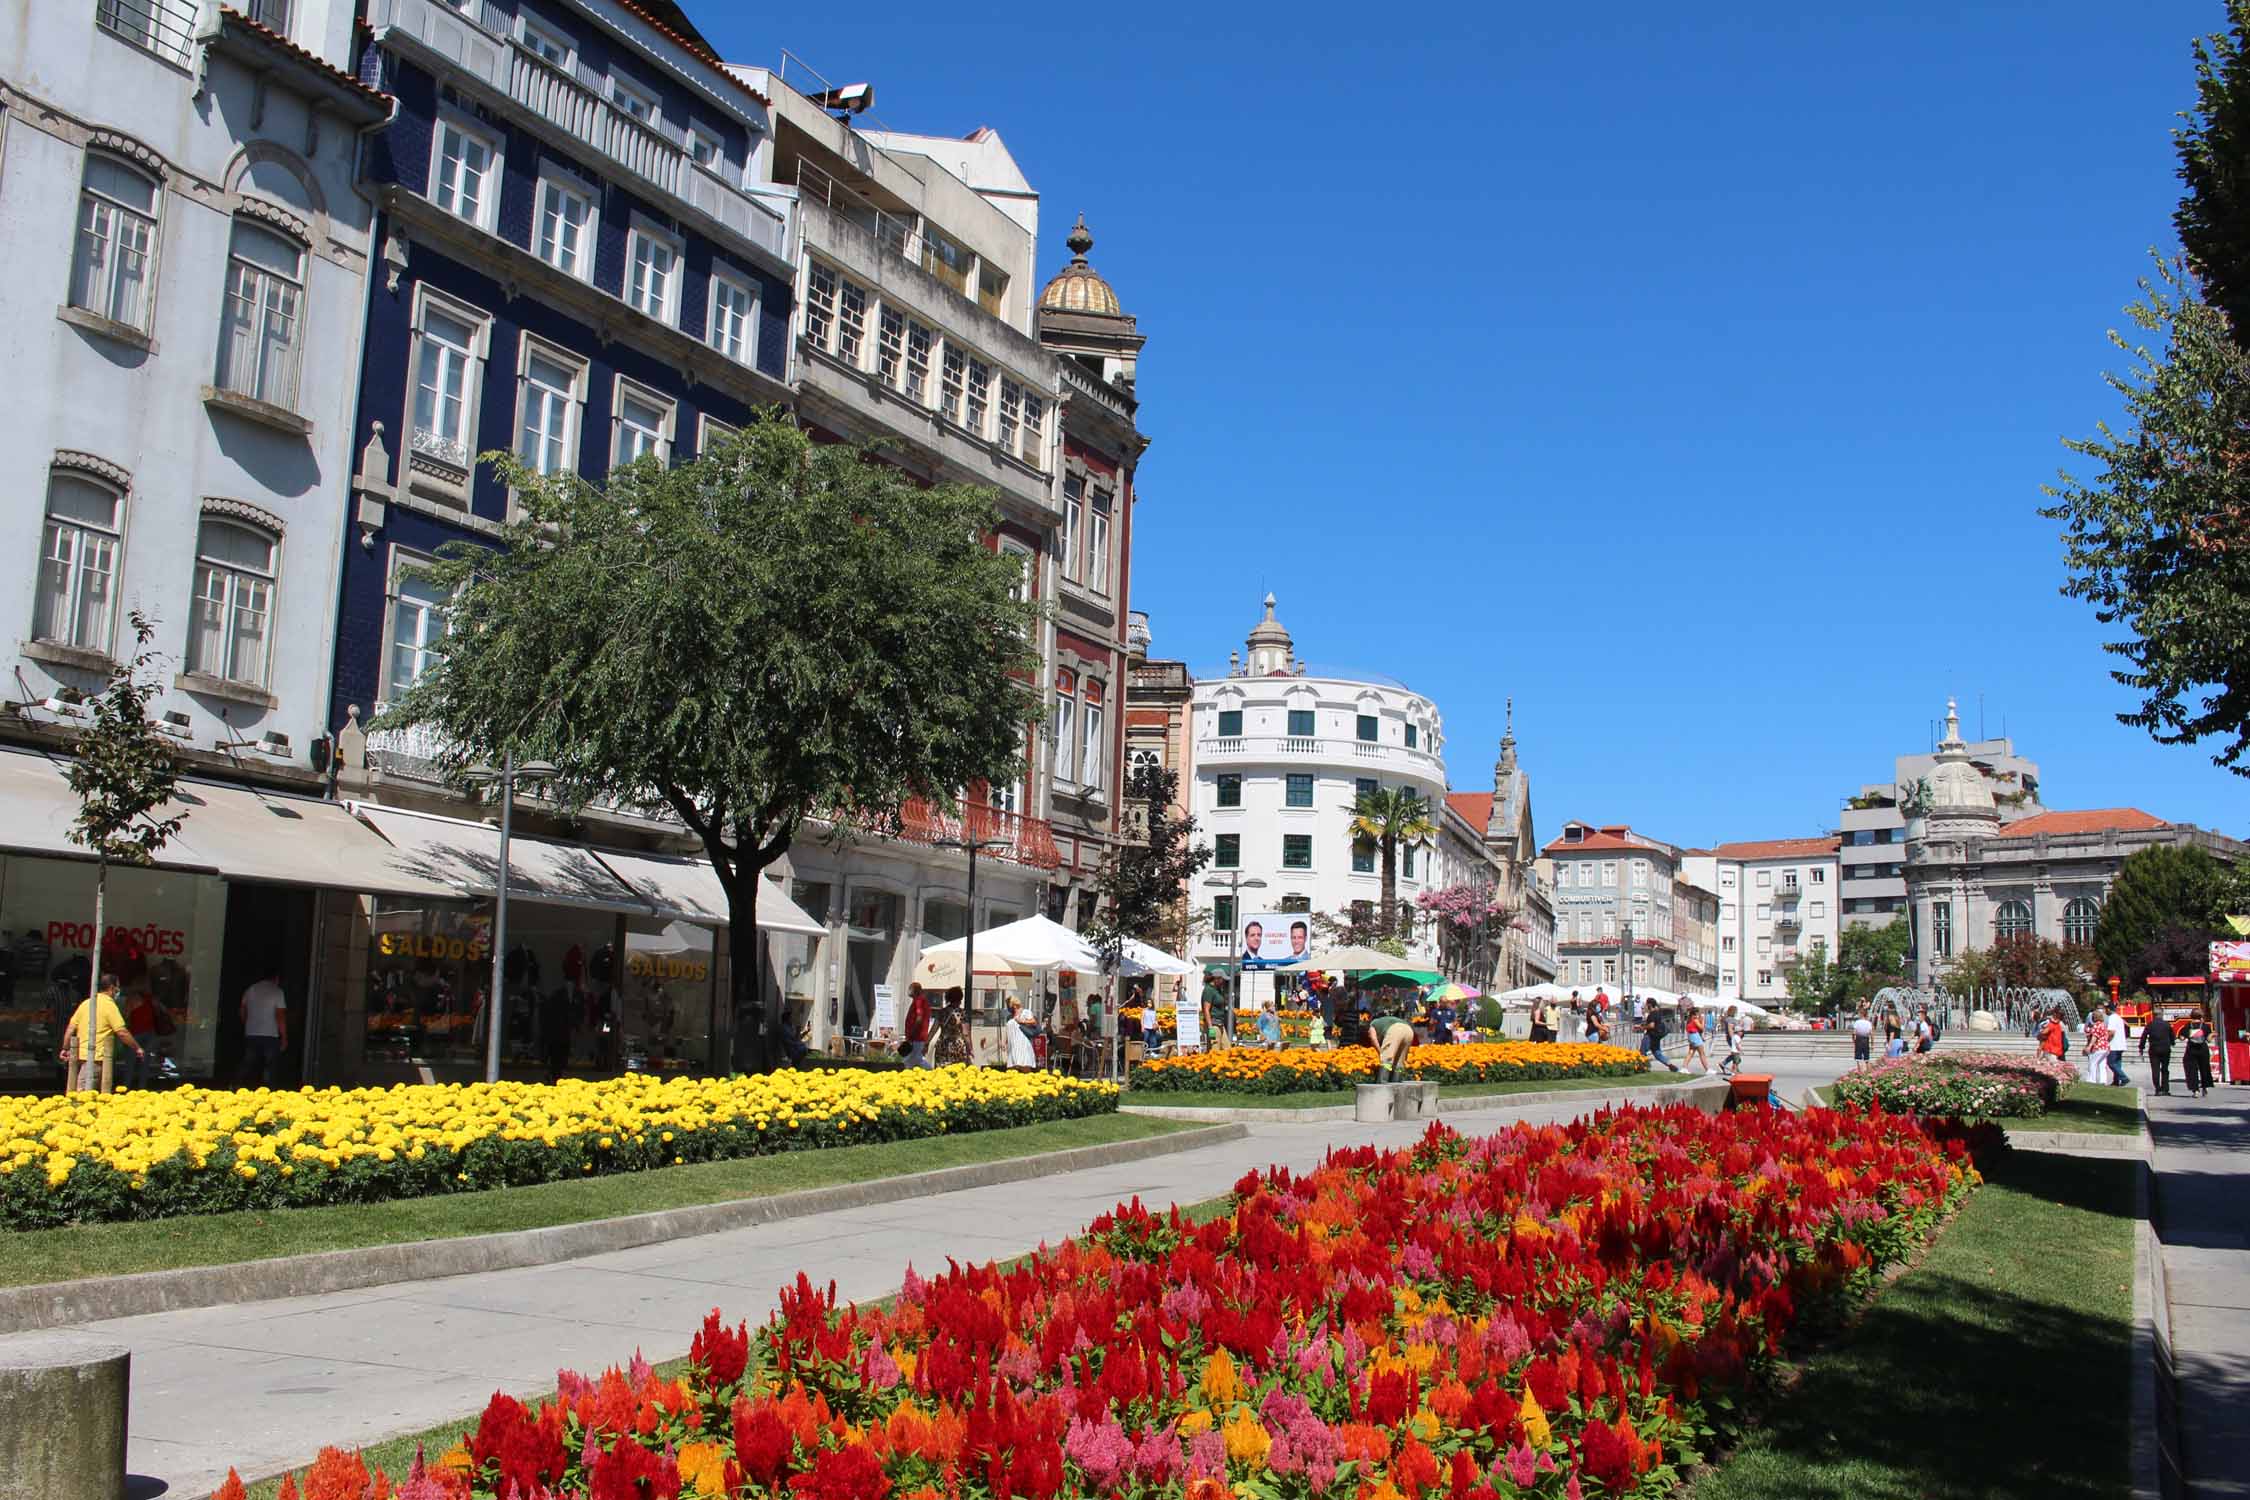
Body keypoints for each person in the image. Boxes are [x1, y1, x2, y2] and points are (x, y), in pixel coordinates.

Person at [61, 974, 142, 1093]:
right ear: (112, 988)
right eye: (117, 987)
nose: (118, 991)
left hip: (81, 1057)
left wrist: (65, 1048)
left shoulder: (86, 1003)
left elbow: (70, 1029)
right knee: (84, 1095)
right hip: (96, 1058)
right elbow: (122, 1032)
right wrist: (137, 1048)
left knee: (89, 1093)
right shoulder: (109, 1006)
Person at [240, 966, 289, 1087]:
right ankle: (268, 1091)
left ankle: (236, 1085)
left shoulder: (251, 989)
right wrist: (284, 1037)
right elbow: (280, 1016)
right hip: (270, 1034)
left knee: (248, 1062)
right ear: (276, 978)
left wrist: (247, 1024)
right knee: (269, 1066)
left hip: (251, 1032)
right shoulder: (277, 992)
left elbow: (242, 1010)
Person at [2140, 1011, 2174, 1096]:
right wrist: (2172, 1042)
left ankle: (2157, 1089)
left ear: (2153, 1015)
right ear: (2162, 1015)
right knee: (2165, 1069)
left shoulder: (2150, 1025)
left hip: (2154, 1049)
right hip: (2165, 1048)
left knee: (2155, 1069)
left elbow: (2144, 1036)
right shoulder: (2166, 1024)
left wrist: (2141, 1047)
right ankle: (2165, 1088)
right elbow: (2172, 1035)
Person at [2181, 1015, 2215, 1098]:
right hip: (2203, 1049)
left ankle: (2195, 1090)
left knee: (2191, 1070)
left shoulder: (2188, 1025)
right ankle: (2204, 1087)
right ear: (2201, 1017)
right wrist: (2213, 1035)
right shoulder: (2205, 1026)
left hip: (2191, 1049)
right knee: (2204, 1069)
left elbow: (2182, 1038)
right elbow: (2209, 1040)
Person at [1374, 1015, 1415, 1082]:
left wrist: (1380, 1051)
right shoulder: (1387, 1020)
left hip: (1396, 1029)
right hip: (1409, 1030)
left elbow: (1373, 1038)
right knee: (1399, 1061)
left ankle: (1382, 1085)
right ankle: (1397, 1084)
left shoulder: (1373, 1023)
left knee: (1387, 1058)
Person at [902, 982, 934, 1068]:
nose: (908, 991)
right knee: (910, 1060)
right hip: (916, 1037)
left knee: (915, 1059)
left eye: (910, 988)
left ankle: (931, 1072)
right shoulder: (919, 1001)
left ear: (915, 990)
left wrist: (912, 1033)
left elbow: (919, 1018)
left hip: (917, 1037)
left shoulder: (919, 1001)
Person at [1644, 1002, 1679, 1072]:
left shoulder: (1652, 1014)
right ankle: (1670, 1065)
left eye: (1646, 1004)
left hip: (1650, 1036)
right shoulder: (1658, 1013)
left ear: (1649, 1005)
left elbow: (1651, 1025)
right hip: (1657, 1036)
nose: (1645, 1006)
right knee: (1657, 1054)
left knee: (1642, 1052)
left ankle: (1643, 1067)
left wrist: (1641, 1027)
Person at [1005, 1001, 1039, 1071]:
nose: (1007, 1008)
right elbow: (1008, 1030)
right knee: (1013, 1070)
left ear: (1014, 1005)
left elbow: (1034, 1022)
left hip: (1022, 1045)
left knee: (1024, 1066)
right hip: (1013, 1047)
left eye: (1008, 1005)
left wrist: (1022, 1021)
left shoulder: (1025, 1012)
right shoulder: (1009, 1017)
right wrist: (1005, 1042)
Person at [2082, 1008, 2112, 1086]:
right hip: (2106, 1048)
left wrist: (2089, 1046)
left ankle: (2091, 1080)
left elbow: (2094, 1037)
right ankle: (2103, 1080)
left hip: (2098, 1047)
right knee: (2102, 1064)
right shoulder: (2103, 1025)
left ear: (2094, 1017)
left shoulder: (2096, 1026)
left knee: (2092, 1063)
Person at [2107, 1007, 2131, 1087]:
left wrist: (2107, 1041)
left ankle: (2124, 1078)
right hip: (2121, 1044)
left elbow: (2111, 1032)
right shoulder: (2119, 1017)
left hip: (2114, 1045)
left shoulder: (2111, 1018)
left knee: (2111, 1063)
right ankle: (2116, 1081)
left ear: (2109, 1009)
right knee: (2117, 1063)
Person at [1683, 1004, 1708, 1074]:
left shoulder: (1689, 1020)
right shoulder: (1695, 1020)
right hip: (1696, 1037)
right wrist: (1703, 1021)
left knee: (1690, 1053)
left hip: (1691, 1037)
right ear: (1696, 1013)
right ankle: (1707, 1069)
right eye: (1698, 1013)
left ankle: (1684, 1067)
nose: (1699, 1014)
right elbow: (1702, 1028)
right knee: (1702, 1053)